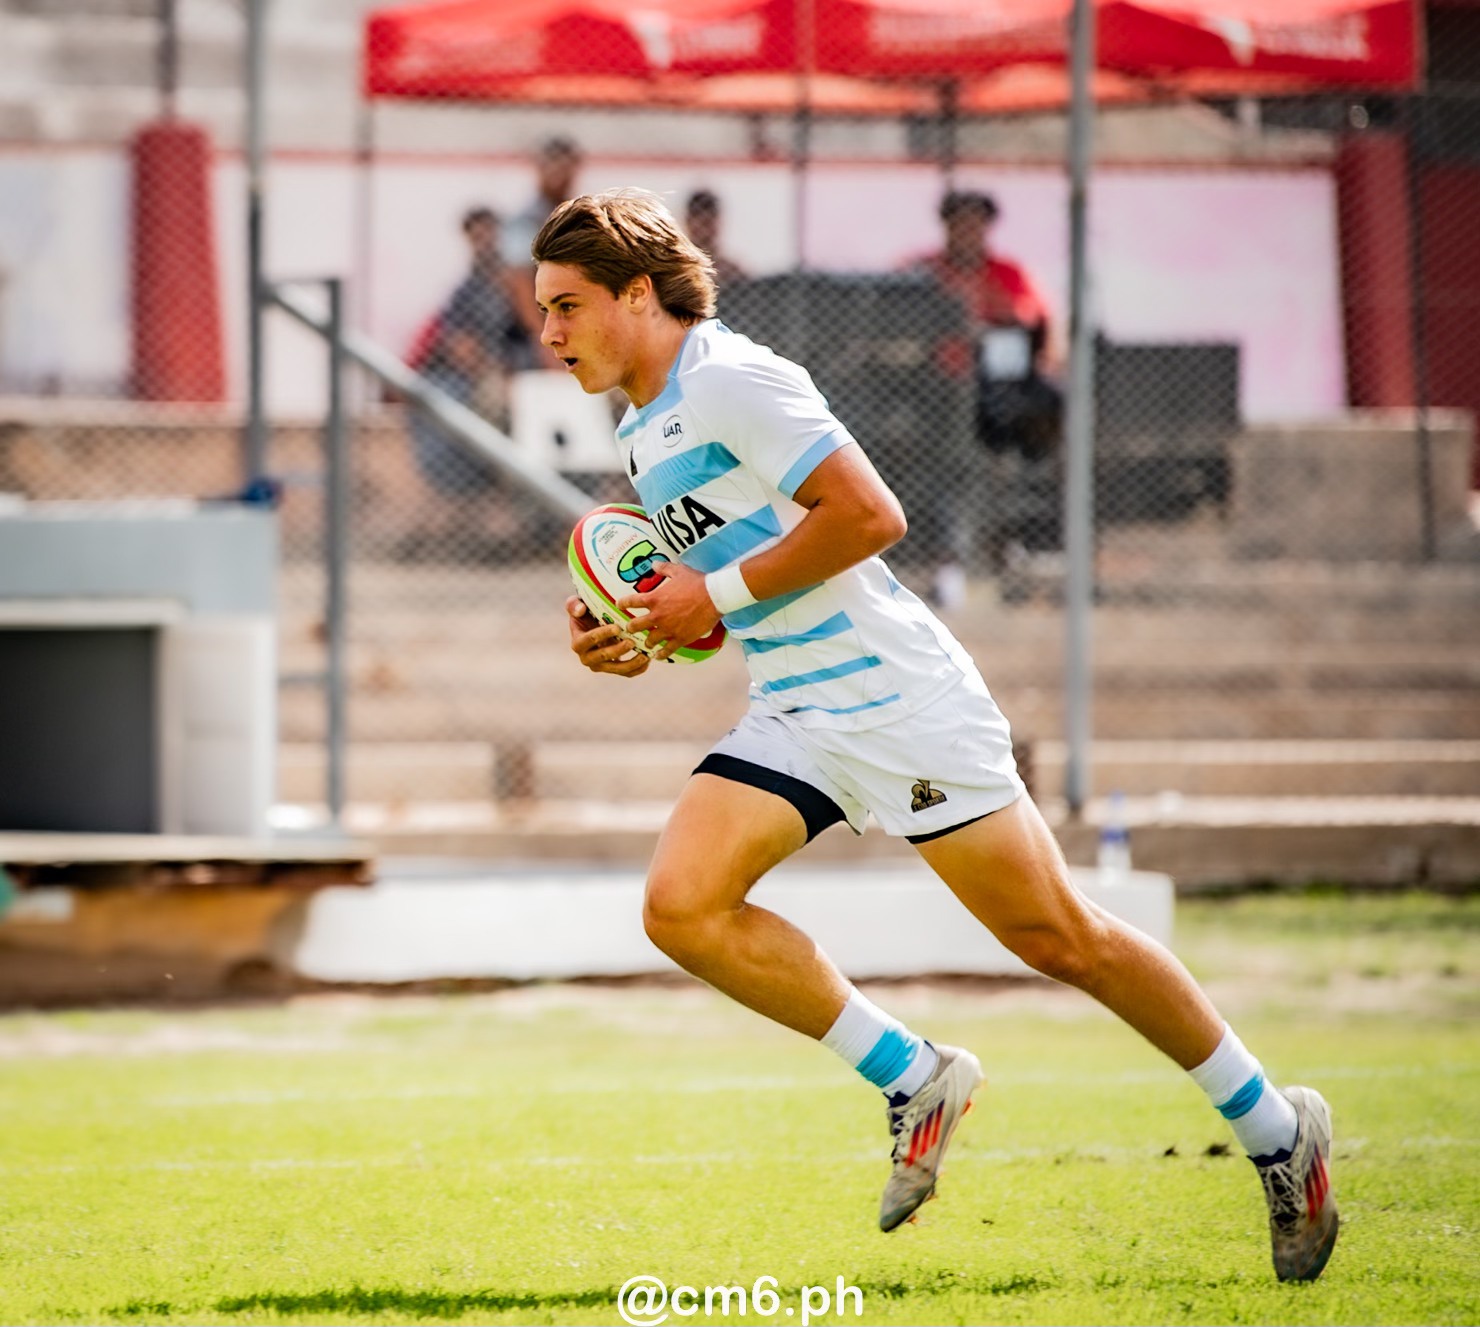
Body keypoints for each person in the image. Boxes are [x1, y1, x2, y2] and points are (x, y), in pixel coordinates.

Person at [535, 189, 1338, 1282]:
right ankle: (915, 1077)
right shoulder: (642, 422)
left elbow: (870, 516)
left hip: (897, 704)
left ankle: (1280, 1133)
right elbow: (732, 581)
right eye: (546, 310)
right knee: (682, 906)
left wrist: (707, 595)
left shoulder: (731, 378)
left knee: (1061, 938)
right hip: (797, 707)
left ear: (638, 294)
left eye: (567, 306)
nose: (549, 333)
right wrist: (636, 634)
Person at [909, 189, 1065, 599]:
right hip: (934, 390)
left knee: (1048, 404)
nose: (968, 231)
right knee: (953, 466)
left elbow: (1036, 321)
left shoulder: (1007, 273)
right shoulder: (925, 271)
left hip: (996, 391)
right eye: (959, 222)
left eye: (976, 223)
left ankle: (1020, 538)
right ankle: (949, 558)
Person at [406, 206, 530, 499]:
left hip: (523, 370)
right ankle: (499, 485)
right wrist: (489, 370)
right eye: (478, 236)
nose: (486, 242)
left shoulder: (520, 282)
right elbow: (460, 345)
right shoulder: (467, 290)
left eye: (490, 233)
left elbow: (531, 331)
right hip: (487, 375)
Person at [502, 136, 585, 349]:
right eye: (553, 165)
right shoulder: (526, 221)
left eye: (565, 167)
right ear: (539, 168)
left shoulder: (579, 216)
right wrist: (540, 334)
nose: (559, 174)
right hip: (534, 329)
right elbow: (520, 280)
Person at [683, 188, 747, 290]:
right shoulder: (679, 266)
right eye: (701, 222)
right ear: (688, 221)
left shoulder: (731, 270)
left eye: (708, 222)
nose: (705, 230)